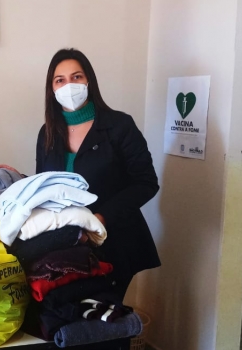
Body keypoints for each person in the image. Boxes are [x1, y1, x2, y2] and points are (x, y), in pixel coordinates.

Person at [34, 48, 161, 301]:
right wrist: (16, 178)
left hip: (115, 243)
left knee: (102, 324)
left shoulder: (119, 126)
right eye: (60, 80)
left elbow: (146, 182)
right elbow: (48, 187)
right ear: (52, 88)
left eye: (77, 77)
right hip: (65, 246)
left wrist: (101, 217)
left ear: (89, 81)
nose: (69, 85)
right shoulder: (47, 133)